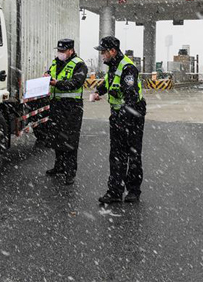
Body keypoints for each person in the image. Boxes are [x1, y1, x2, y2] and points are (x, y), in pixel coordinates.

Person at [90, 36, 147, 204]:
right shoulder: (113, 66)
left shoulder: (127, 68)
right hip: (118, 116)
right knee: (116, 155)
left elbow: (131, 97)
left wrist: (122, 118)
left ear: (112, 51)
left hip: (132, 116)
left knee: (132, 154)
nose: (101, 55)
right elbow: (109, 84)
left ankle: (133, 191)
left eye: (103, 52)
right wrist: (98, 92)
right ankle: (115, 191)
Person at [43, 38, 87, 185]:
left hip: (72, 108)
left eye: (63, 51)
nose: (60, 53)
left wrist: (57, 83)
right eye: (59, 50)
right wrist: (46, 77)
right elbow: (50, 73)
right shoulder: (56, 62)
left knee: (70, 140)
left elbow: (76, 83)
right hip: (57, 106)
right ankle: (59, 166)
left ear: (71, 50)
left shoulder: (79, 64)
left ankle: (70, 172)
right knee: (57, 137)